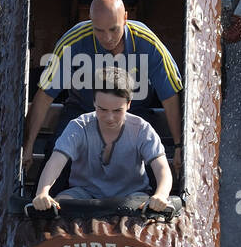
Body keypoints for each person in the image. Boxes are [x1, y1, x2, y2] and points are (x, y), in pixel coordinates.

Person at [22, 0, 183, 174]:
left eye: (113, 29)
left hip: (134, 112)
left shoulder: (149, 43)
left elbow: (170, 95)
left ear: (125, 19)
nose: (107, 37)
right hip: (82, 111)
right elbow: (44, 96)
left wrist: (178, 146)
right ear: (91, 22)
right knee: (57, 152)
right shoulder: (72, 42)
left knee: (152, 160)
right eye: (99, 30)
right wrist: (28, 146)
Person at [32, 67, 173, 213]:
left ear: (129, 104)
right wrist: (42, 192)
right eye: (103, 109)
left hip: (132, 196)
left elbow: (161, 167)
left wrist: (161, 195)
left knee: (145, 208)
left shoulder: (142, 129)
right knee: (61, 204)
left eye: (117, 110)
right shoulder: (79, 126)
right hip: (84, 195)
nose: (109, 118)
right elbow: (56, 161)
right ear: (94, 102)